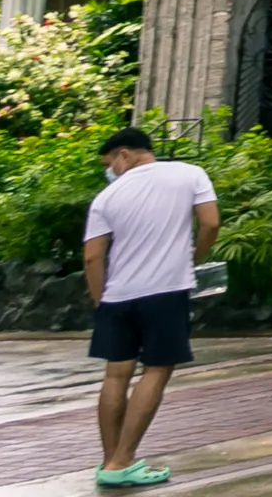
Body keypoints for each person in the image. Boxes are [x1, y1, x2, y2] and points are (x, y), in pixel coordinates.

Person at [82, 126, 218, 488]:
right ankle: (123, 460)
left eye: (109, 162)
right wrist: (193, 258)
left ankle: (111, 462)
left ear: (124, 154)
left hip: (117, 296)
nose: (109, 169)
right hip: (166, 292)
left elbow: (93, 257)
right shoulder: (190, 174)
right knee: (156, 370)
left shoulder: (106, 198)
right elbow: (210, 223)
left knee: (116, 374)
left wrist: (101, 301)